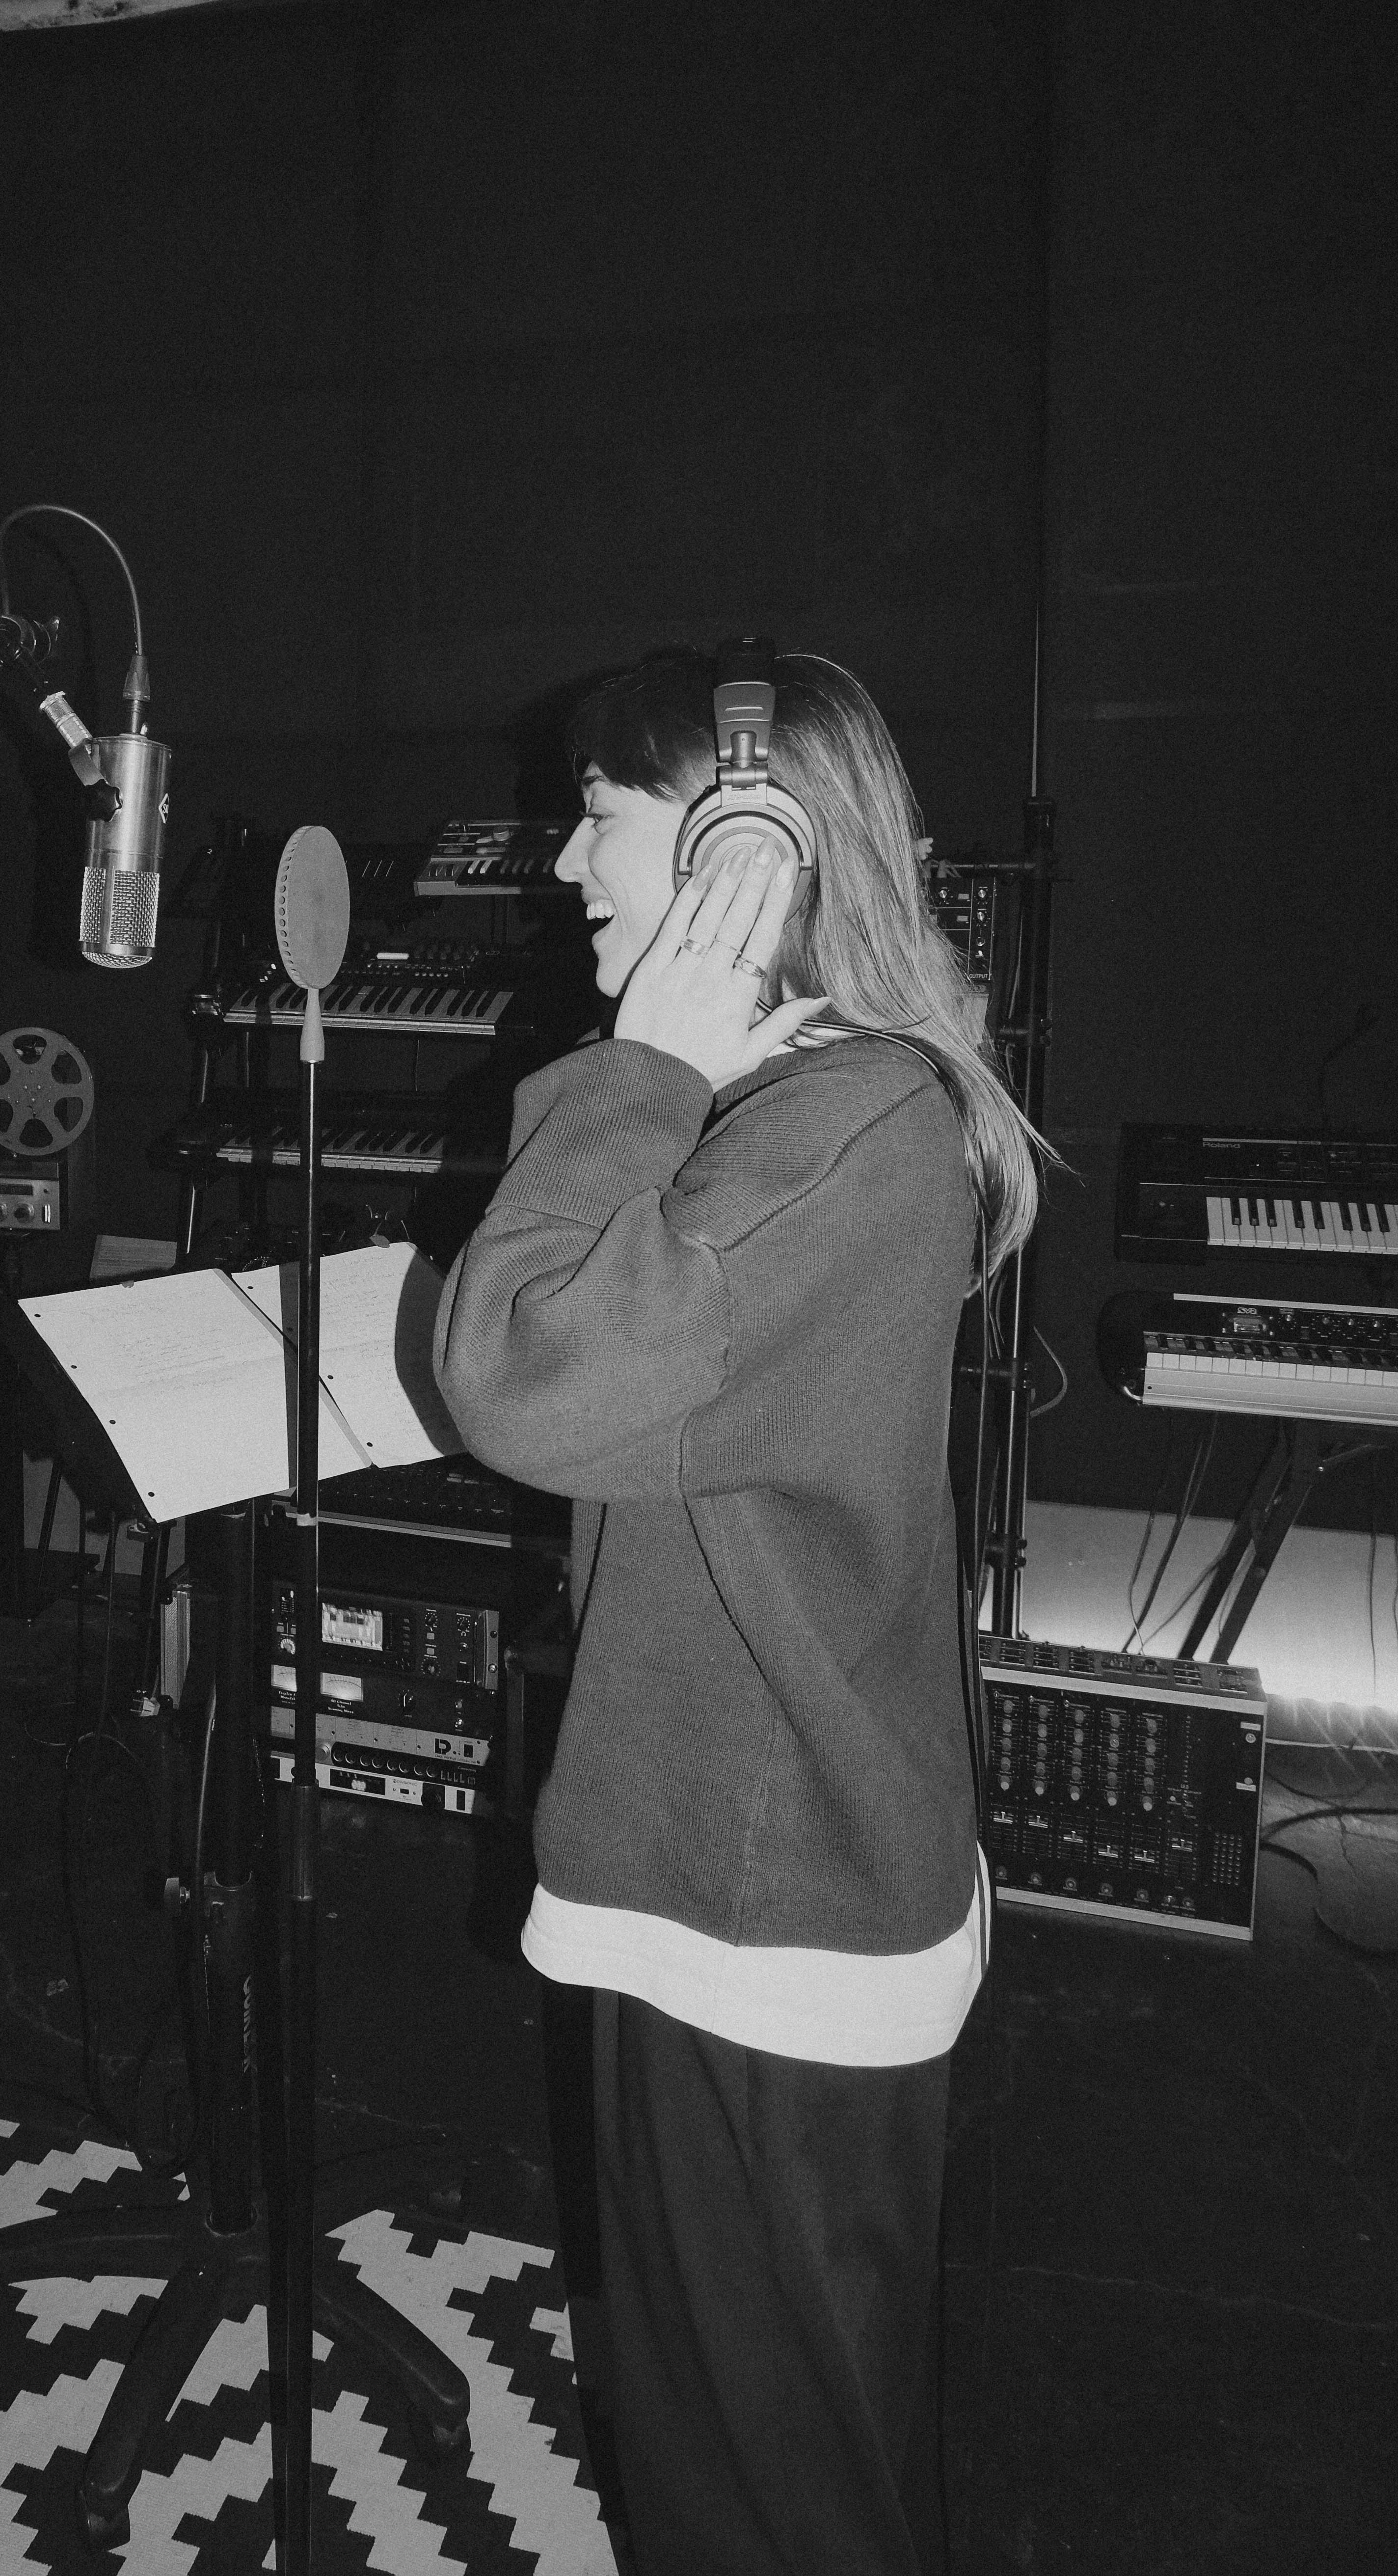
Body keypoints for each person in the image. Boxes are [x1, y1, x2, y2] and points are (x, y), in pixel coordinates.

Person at [433, 645, 1043, 2575]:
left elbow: (527, 1376)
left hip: (760, 1896)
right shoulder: (824, 1105)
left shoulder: (822, 1131)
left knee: (764, 2487)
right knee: (762, 2435)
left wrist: (645, 1069)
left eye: (598, 819)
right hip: (751, 1855)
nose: (563, 867)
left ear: (741, 843)